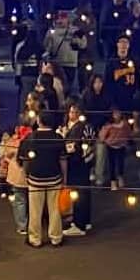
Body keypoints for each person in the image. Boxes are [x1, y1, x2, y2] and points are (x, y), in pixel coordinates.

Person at [23, 111, 66, 247]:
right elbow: (63, 160)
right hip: (54, 178)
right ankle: (56, 237)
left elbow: (24, 160)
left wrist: (26, 174)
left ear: (39, 121)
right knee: (55, 209)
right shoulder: (58, 138)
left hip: (35, 179)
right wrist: (65, 178)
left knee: (35, 211)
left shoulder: (30, 138)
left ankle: (35, 239)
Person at [59, 101, 96, 236]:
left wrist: (63, 139)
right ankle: (85, 221)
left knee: (79, 193)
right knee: (84, 192)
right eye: (70, 111)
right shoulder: (83, 127)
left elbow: (74, 147)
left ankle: (79, 224)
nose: (72, 114)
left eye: (75, 112)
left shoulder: (81, 128)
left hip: (78, 164)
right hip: (83, 163)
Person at [0, 123, 31, 236]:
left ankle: (22, 226)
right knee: (31, 201)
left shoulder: (13, 142)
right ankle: (32, 223)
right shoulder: (33, 139)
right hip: (32, 176)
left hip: (17, 176)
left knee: (20, 201)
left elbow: (5, 154)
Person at [98, 106, 133, 189]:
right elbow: (102, 135)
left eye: (118, 113)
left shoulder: (124, 124)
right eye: (115, 113)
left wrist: (129, 139)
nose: (117, 115)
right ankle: (113, 181)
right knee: (112, 164)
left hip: (121, 146)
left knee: (121, 163)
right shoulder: (109, 125)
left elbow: (128, 132)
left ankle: (120, 177)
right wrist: (103, 140)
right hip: (111, 146)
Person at [105, 36, 139, 113]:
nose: (123, 45)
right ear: (117, 45)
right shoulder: (111, 61)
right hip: (116, 99)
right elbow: (109, 80)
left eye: (126, 42)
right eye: (121, 42)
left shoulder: (135, 60)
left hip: (131, 99)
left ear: (129, 45)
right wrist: (128, 70)